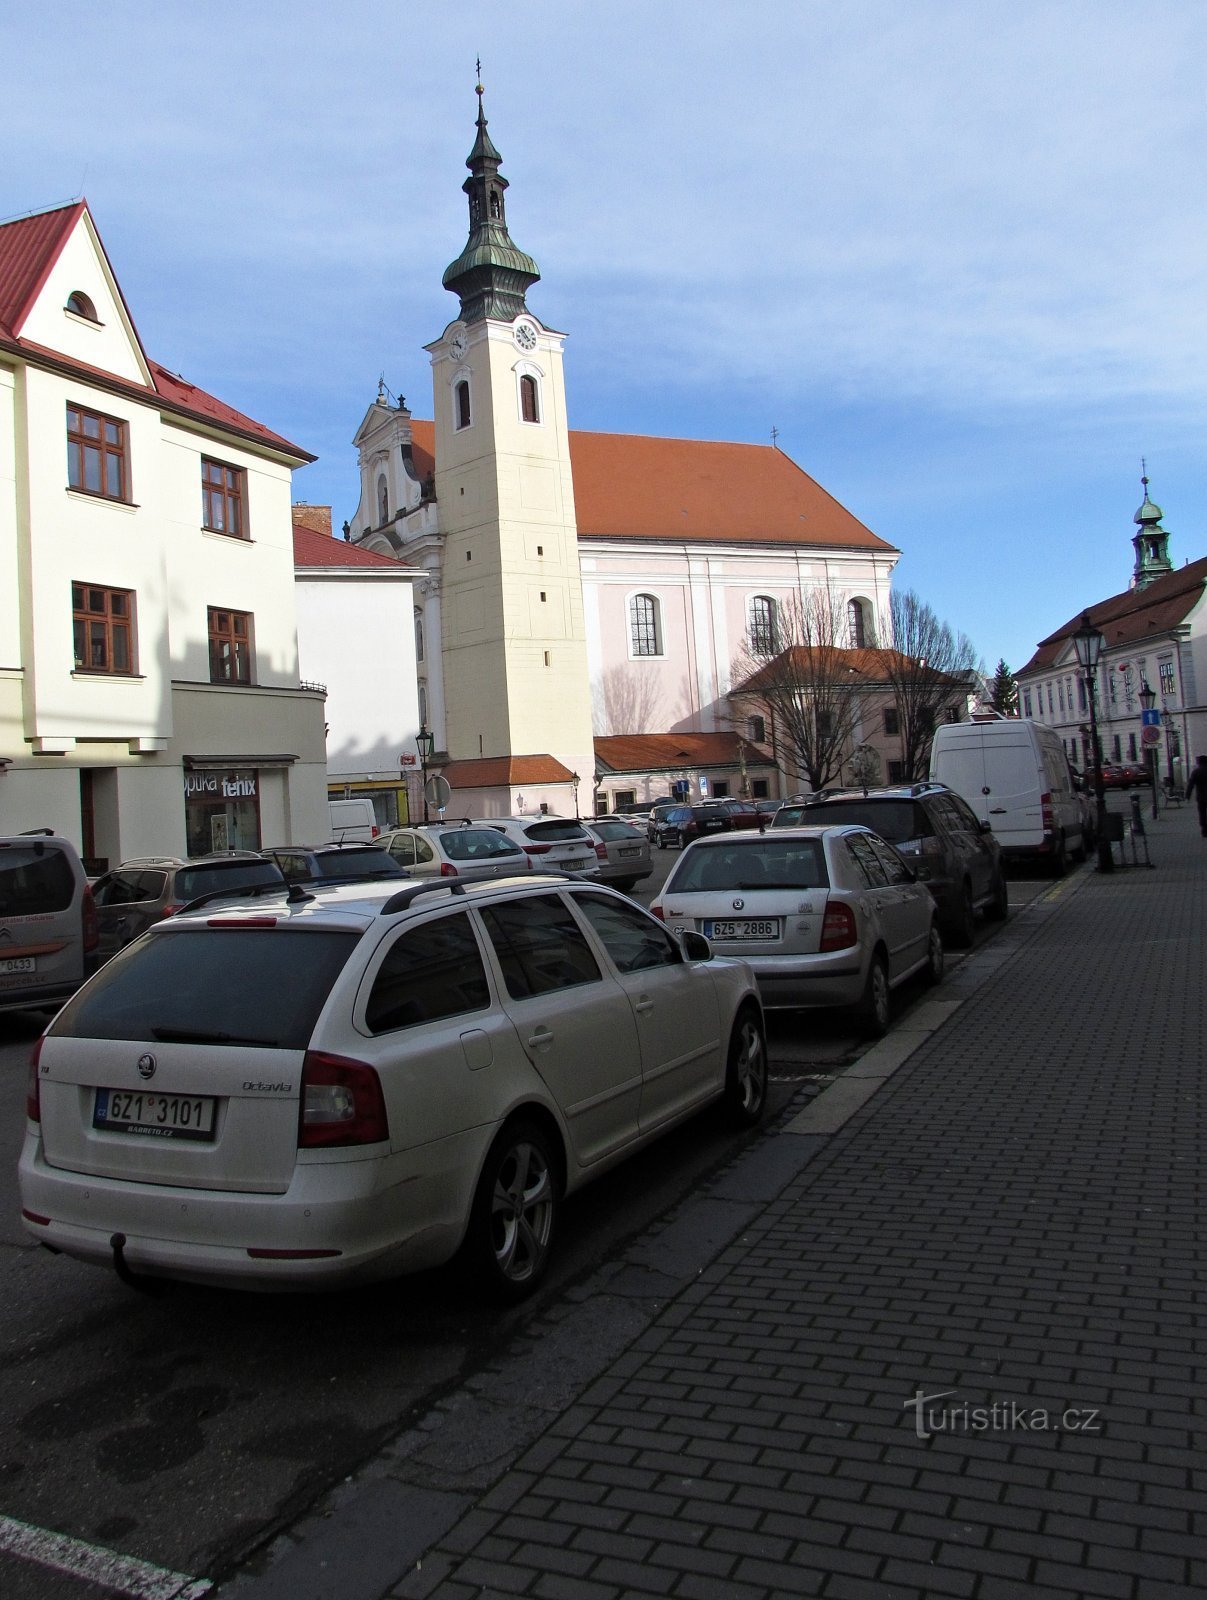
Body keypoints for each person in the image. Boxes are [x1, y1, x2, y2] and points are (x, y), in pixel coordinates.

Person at [1186, 754, 1207, 837]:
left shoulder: (1196, 772)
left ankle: (1204, 830)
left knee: (1202, 814)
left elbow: (1190, 785)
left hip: (1201, 797)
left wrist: (1187, 796)